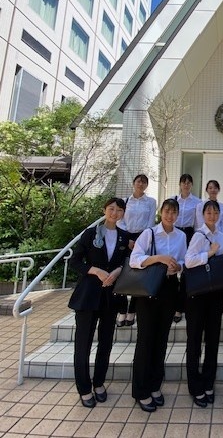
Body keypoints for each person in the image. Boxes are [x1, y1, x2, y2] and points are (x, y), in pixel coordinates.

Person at [68, 197, 129, 408]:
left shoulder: (123, 236)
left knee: (106, 342)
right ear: (104, 210)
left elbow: (126, 261)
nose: (114, 213)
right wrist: (95, 270)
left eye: (119, 210)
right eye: (111, 208)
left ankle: (99, 382)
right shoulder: (90, 233)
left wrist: (118, 270)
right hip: (88, 295)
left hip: (111, 296)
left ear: (123, 214)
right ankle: (84, 388)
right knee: (83, 344)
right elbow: (75, 261)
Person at [130, 198, 187, 412]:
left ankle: (155, 386)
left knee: (161, 339)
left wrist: (177, 267)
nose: (170, 215)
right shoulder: (149, 233)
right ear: (161, 212)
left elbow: (183, 261)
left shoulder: (181, 236)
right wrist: (159, 258)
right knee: (146, 339)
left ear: (177, 215)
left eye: (174, 212)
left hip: (169, 288)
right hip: (149, 290)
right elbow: (135, 259)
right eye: (167, 211)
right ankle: (141, 391)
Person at [185, 200, 223, 408]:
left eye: (215, 212)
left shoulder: (220, 235)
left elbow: (221, 266)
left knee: (213, 339)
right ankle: (195, 387)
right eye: (208, 212)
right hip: (198, 294)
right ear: (203, 215)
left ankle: (209, 383)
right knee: (194, 340)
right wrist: (209, 253)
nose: (212, 215)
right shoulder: (198, 235)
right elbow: (189, 261)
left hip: (215, 293)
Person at [116, 174, 157, 327]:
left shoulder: (151, 202)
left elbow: (150, 222)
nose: (141, 184)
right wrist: (127, 240)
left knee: (138, 275)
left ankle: (132, 310)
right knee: (122, 272)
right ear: (134, 183)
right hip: (126, 239)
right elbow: (119, 221)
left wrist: (140, 241)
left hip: (142, 238)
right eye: (139, 181)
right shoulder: (125, 201)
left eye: (144, 182)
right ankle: (122, 310)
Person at [172, 174, 201, 324]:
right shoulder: (173, 200)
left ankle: (180, 307)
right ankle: (171, 305)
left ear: (192, 185)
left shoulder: (197, 202)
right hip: (174, 233)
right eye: (184, 182)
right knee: (172, 265)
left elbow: (198, 223)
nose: (186, 184)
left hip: (189, 234)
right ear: (180, 184)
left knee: (186, 269)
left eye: (189, 182)